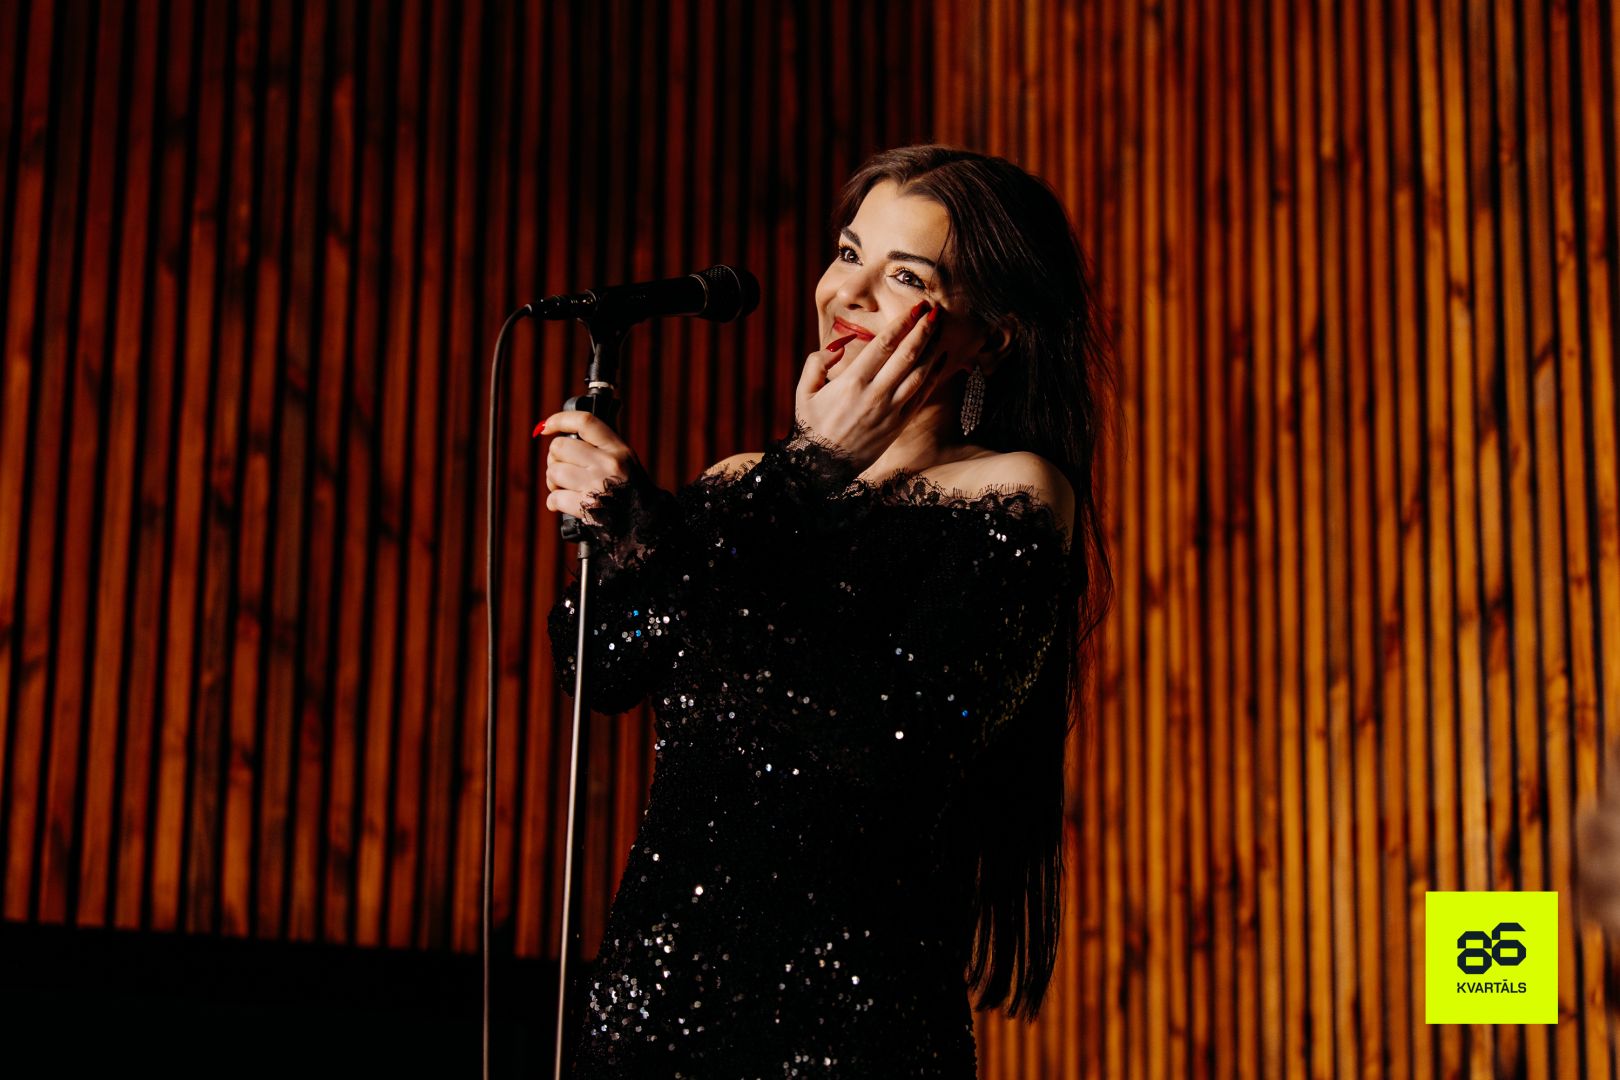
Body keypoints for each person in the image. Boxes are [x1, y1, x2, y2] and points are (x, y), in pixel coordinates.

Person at [540, 145, 1116, 1077]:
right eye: (849, 253)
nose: (848, 293)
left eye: (906, 277)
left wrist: (807, 469)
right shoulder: (746, 482)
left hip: (847, 1031)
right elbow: (598, 666)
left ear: (993, 339)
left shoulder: (1014, 492)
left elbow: (887, 740)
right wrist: (629, 524)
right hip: (647, 1017)